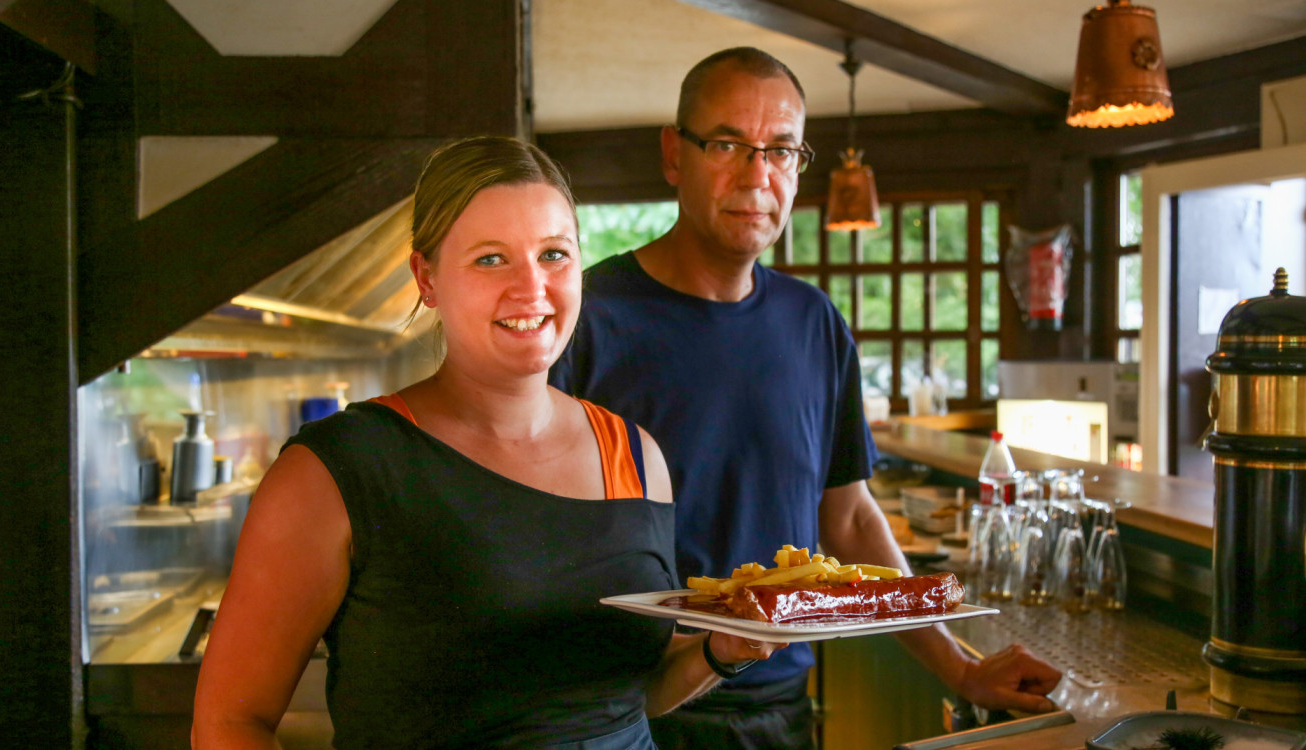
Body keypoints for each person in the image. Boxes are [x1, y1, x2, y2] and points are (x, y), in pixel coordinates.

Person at [191, 136, 782, 750]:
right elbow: (230, 723)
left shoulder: (633, 457)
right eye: (491, 259)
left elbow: (628, 696)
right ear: (427, 278)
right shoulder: (336, 471)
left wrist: (723, 648)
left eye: (553, 254)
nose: (532, 289)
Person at [550, 48, 1063, 749]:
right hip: (623, 714)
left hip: (779, 705)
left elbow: (848, 519)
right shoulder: (589, 320)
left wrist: (959, 667)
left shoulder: (813, 322)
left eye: (782, 150)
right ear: (675, 155)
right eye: (727, 144)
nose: (757, 176)